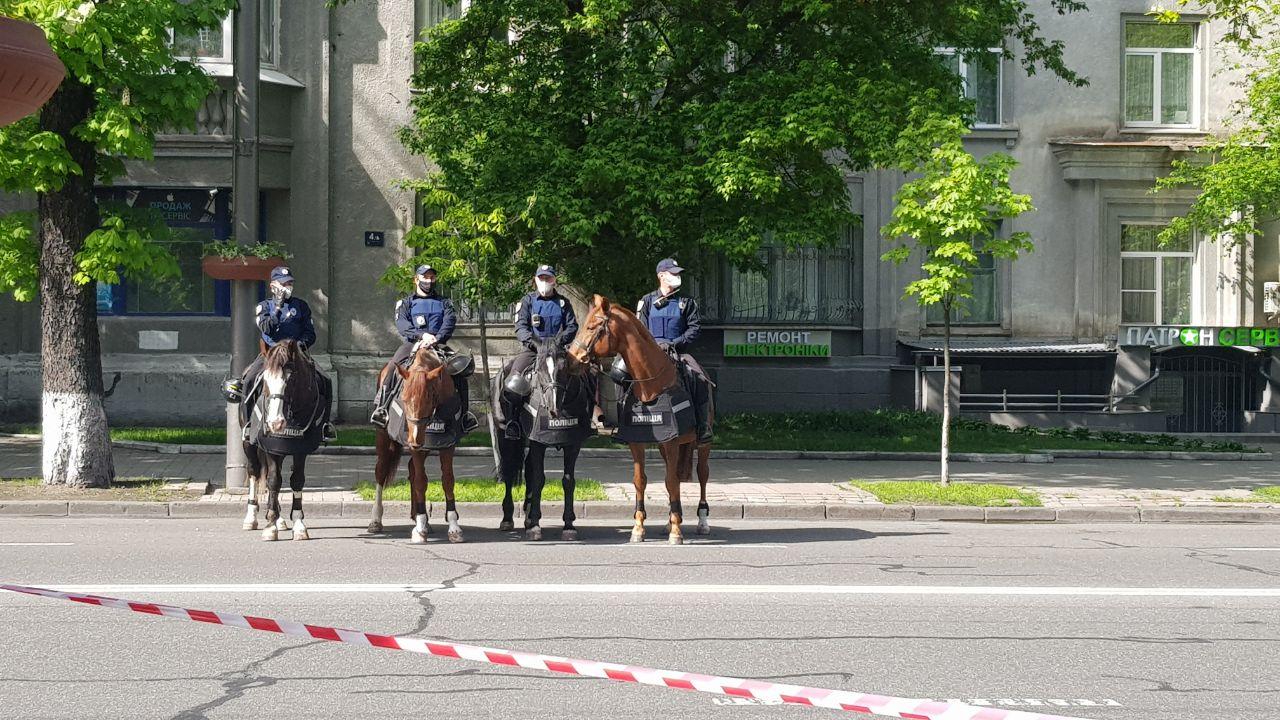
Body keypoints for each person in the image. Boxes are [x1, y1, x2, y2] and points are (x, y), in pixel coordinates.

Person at [222, 266, 336, 442]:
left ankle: (325, 426)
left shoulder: (301, 306)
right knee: (249, 379)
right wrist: (277, 306)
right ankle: (247, 424)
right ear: (273, 286)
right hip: (271, 354)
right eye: (283, 284)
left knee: (325, 380)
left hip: (296, 354)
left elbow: (310, 333)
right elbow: (266, 328)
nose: (287, 287)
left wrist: (299, 345)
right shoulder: (264, 306)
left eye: (289, 283)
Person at [369, 264, 479, 433]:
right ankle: (382, 408)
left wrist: (437, 338)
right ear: (416, 279)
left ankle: (465, 415)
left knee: (460, 371)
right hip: (413, 344)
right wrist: (421, 336)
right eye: (425, 277)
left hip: (438, 344)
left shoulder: (445, 303)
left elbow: (449, 322)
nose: (429, 280)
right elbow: (402, 324)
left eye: (432, 277)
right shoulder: (405, 303)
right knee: (391, 367)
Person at [497, 264, 578, 439]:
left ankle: (589, 415)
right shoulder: (527, 301)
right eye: (542, 278)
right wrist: (536, 344)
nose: (545, 281)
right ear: (536, 280)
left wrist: (557, 343)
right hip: (533, 350)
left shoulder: (563, 303)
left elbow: (572, 326)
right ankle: (512, 421)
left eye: (548, 278)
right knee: (513, 379)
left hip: (558, 350)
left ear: (554, 280)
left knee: (585, 374)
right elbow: (520, 327)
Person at [635, 257, 711, 441]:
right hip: (650, 356)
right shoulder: (646, 301)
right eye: (673, 273)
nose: (677, 277)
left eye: (678, 273)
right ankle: (620, 422)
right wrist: (653, 347)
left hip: (678, 352)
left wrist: (674, 343)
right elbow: (639, 330)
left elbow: (694, 328)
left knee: (700, 379)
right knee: (620, 372)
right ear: (661, 276)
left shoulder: (687, 301)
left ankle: (703, 426)